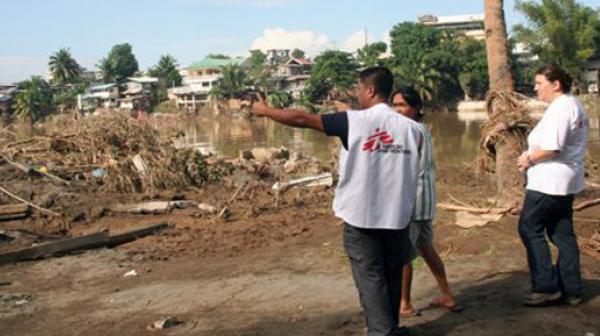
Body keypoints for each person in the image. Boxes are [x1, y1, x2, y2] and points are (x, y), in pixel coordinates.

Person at [251, 67, 421, 336]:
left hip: (361, 218)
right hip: (397, 217)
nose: (357, 93)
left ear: (370, 90)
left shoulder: (353, 122)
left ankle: (381, 332)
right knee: (391, 275)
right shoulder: (414, 129)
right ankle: (391, 328)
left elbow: (301, 119)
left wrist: (265, 111)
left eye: (358, 88)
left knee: (370, 277)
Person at [517, 64, 588, 306]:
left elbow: (552, 148)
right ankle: (572, 288)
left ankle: (546, 287)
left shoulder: (561, 108)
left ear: (555, 84)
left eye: (539, 83)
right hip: (565, 181)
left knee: (529, 228)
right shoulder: (573, 104)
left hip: (548, 182)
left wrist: (528, 158)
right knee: (562, 233)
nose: (535, 89)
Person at [390, 88, 461, 317]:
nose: (397, 110)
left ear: (416, 108)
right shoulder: (422, 129)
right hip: (425, 201)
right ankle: (447, 295)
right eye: (395, 105)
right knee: (427, 250)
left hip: (411, 202)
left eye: (402, 105)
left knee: (404, 254)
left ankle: (404, 303)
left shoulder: (409, 130)